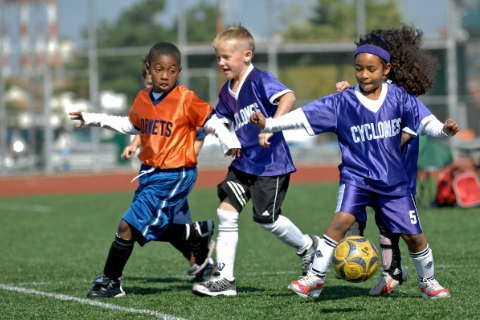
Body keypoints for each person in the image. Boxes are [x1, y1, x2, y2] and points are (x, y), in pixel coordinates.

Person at [250, 25, 459, 300]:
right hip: (357, 178)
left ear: (386, 70)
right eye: (358, 68)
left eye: (371, 69)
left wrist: (443, 130)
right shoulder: (342, 102)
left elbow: (425, 121)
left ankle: (428, 282)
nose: (364, 74)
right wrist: (271, 123)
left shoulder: (399, 98)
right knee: (341, 222)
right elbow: (303, 117)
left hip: (392, 181)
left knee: (414, 237)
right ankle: (314, 278)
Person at [69, 42, 241, 298]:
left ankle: (111, 282)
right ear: (149, 69)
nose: (164, 75)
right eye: (159, 69)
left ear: (179, 71)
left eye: (171, 70)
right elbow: (130, 125)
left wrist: (228, 140)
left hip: (175, 174)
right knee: (151, 226)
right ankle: (197, 233)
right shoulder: (143, 98)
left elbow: (211, 121)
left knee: (128, 224)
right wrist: (94, 118)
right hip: (150, 173)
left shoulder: (185, 98)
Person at [192, 25, 320, 297]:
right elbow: (222, 120)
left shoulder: (260, 79)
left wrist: (270, 126)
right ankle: (224, 279)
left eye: (226, 57)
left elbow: (288, 96)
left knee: (267, 220)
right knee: (226, 212)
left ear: (247, 55)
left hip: (271, 164)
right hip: (243, 164)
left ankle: (307, 246)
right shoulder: (227, 90)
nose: (221, 63)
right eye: (218, 58)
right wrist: (221, 137)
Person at [120, 52, 214, 283]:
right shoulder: (147, 101)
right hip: (156, 174)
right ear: (145, 78)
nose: (158, 82)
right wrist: (133, 144)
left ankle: (204, 258)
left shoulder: (181, 101)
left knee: (159, 225)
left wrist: (190, 154)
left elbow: (200, 132)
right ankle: (204, 260)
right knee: (174, 229)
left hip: (174, 173)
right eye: (151, 79)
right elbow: (148, 132)